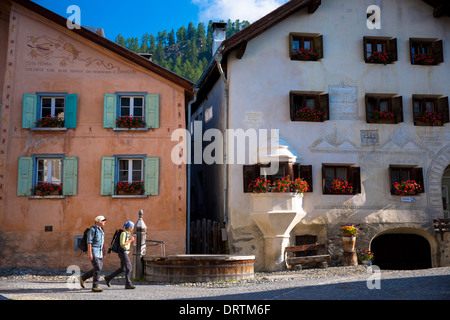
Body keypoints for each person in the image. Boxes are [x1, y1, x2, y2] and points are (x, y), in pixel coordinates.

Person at [104, 221, 136, 289]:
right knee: (129, 268)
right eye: (132, 227)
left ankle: (108, 278)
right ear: (130, 227)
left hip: (124, 252)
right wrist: (130, 240)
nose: (133, 228)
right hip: (122, 252)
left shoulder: (128, 233)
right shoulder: (123, 233)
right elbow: (122, 244)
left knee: (123, 268)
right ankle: (128, 284)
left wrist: (130, 240)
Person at [80, 215, 107, 292]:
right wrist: (90, 253)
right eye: (103, 220)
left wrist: (104, 250)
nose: (105, 221)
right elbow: (89, 242)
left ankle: (83, 278)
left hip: (100, 252)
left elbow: (102, 241)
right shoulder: (92, 229)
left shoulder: (102, 230)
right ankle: (95, 286)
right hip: (94, 251)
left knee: (98, 268)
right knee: (97, 268)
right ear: (99, 221)